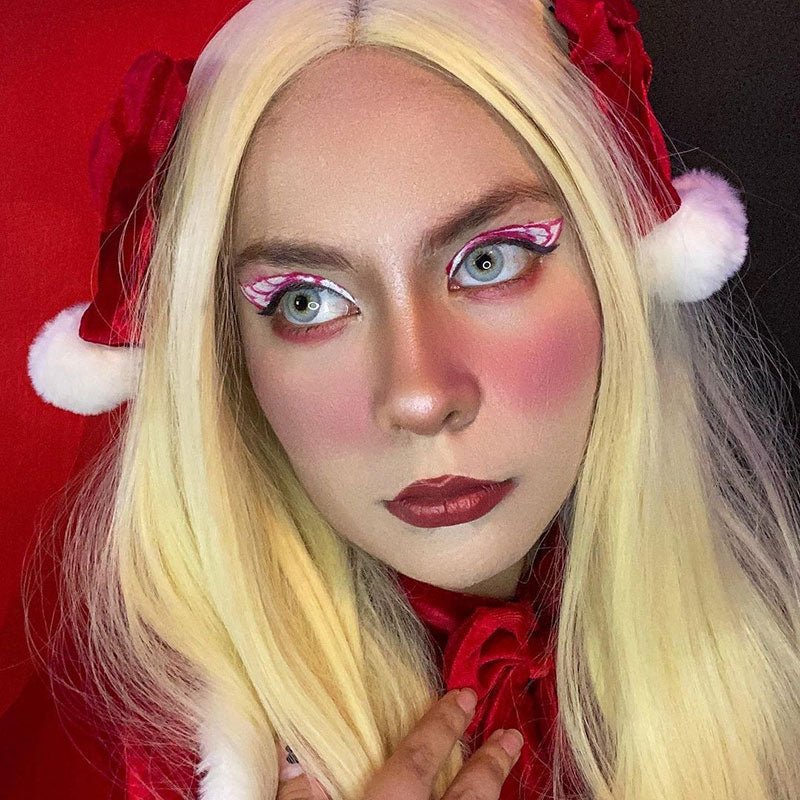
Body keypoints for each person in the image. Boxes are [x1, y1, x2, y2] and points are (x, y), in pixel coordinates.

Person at [24, 1, 800, 799]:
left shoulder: (762, 651)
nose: (422, 397)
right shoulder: (144, 754)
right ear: (227, 360)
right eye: (305, 303)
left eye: (491, 261)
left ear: (614, 273)